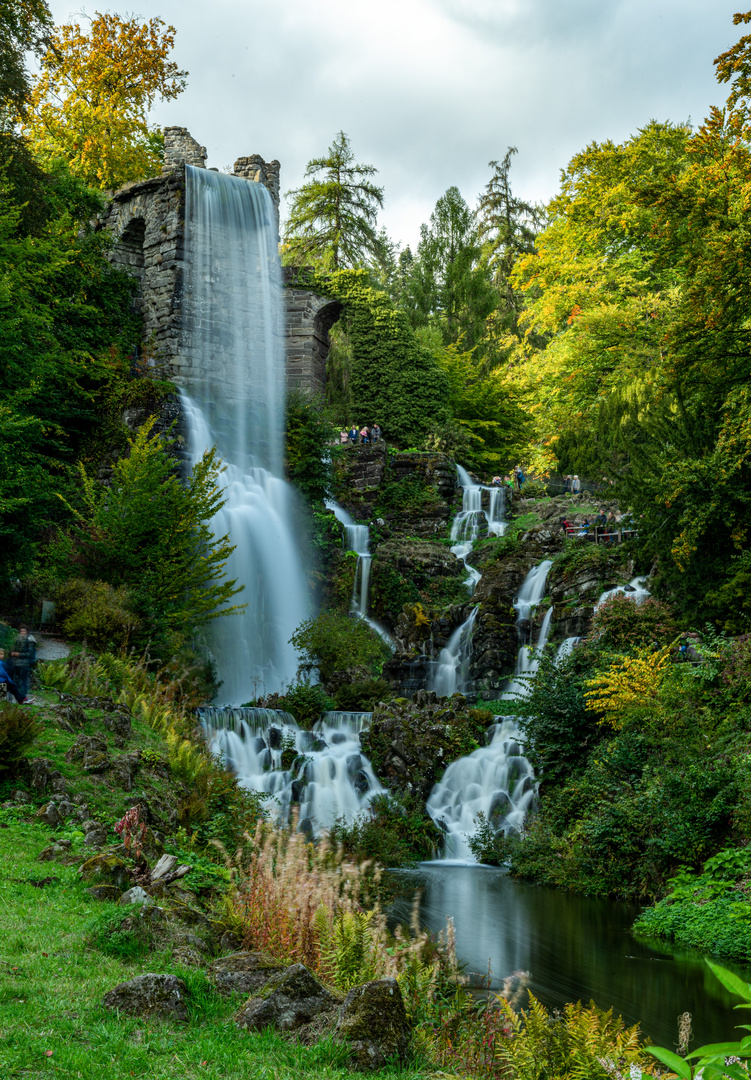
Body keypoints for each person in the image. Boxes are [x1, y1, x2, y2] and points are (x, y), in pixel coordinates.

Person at [11, 624, 36, 700]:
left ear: (27, 632)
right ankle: (17, 697)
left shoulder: (30, 640)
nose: (22, 632)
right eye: (21, 631)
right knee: (16, 680)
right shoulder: (18, 639)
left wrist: (19, 654)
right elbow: (14, 649)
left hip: (25, 664)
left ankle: (23, 697)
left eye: (24, 631)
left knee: (23, 681)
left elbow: (30, 653)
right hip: (17, 663)